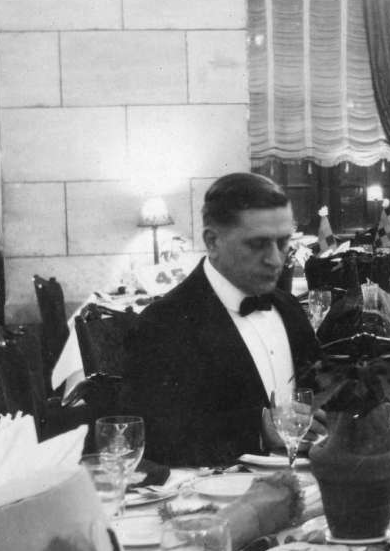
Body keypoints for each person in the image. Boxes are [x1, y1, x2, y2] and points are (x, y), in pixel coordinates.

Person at [124, 172, 322, 467]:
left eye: (283, 243)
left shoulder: (288, 308)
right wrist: (259, 430)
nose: (276, 260)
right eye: (257, 244)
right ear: (212, 242)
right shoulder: (162, 323)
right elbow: (154, 439)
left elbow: (319, 391)